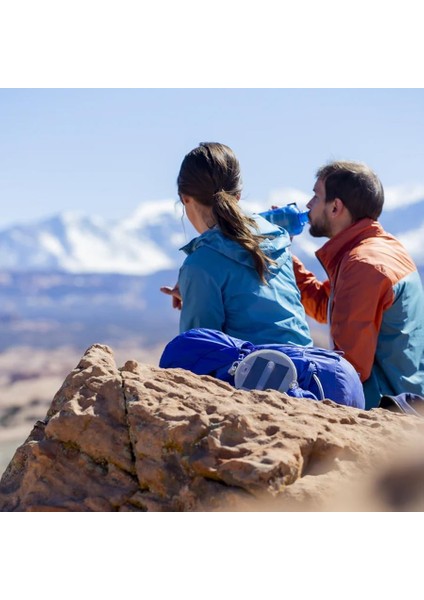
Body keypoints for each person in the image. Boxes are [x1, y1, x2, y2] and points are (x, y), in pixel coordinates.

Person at [292, 160, 424, 409]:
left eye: (316, 196)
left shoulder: (362, 265)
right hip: (407, 398)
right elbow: (324, 305)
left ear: (335, 207)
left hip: (384, 406)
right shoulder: (380, 249)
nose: (308, 204)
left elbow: (349, 369)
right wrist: (284, 256)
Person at [160, 142, 312, 347]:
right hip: (305, 364)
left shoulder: (201, 264)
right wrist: (197, 294)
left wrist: (197, 288)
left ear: (185, 198)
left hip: (256, 367)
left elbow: (198, 351)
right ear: (237, 196)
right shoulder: (277, 241)